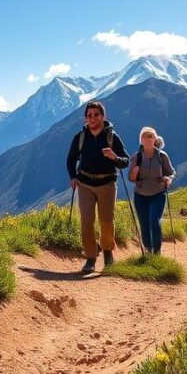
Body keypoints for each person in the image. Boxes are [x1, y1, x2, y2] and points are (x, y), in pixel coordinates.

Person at [66, 101, 130, 275]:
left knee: (106, 221)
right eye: (89, 115)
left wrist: (114, 157)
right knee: (86, 221)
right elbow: (71, 160)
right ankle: (90, 257)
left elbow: (125, 161)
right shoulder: (80, 137)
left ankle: (108, 252)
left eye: (95, 115)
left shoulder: (112, 137)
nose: (92, 118)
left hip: (107, 184)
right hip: (85, 184)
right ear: (85, 118)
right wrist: (73, 177)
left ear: (102, 117)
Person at [129, 127, 175, 255]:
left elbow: (170, 172)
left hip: (158, 193)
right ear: (141, 140)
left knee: (154, 221)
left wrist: (168, 180)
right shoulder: (136, 157)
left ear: (155, 139)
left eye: (151, 136)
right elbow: (131, 178)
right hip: (140, 195)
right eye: (145, 136)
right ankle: (148, 250)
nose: (148, 139)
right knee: (144, 224)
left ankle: (157, 252)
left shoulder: (162, 156)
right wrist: (134, 172)